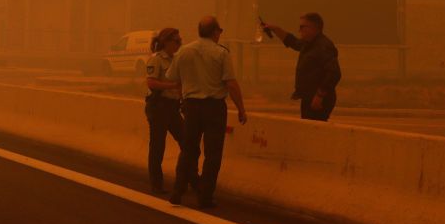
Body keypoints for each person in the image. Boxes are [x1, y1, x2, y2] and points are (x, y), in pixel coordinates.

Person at [165, 16, 246, 208]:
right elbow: (231, 84)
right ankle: (205, 196)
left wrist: (183, 96)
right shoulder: (221, 53)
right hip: (214, 108)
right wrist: (241, 109)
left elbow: (174, 78)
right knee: (213, 154)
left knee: (188, 150)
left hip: (191, 107)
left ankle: (177, 190)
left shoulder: (184, 52)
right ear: (215, 32)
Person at [263, 12, 341, 121]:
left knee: (314, 131)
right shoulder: (309, 44)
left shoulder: (324, 46)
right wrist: (276, 29)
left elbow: (334, 73)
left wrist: (319, 96)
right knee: (308, 128)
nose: (299, 30)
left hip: (319, 100)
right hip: (309, 97)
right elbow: (293, 42)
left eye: (302, 27)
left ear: (314, 28)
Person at [144, 27, 184, 194]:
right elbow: (151, 83)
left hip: (173, 107)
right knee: (158, 146)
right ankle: (156, 184)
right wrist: (172, 86)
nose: (179, 44)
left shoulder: (176, 60)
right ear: (166, 42)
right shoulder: (156, 59)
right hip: (159, 106)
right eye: (176, 41)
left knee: (187, 141)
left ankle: (186, 178)